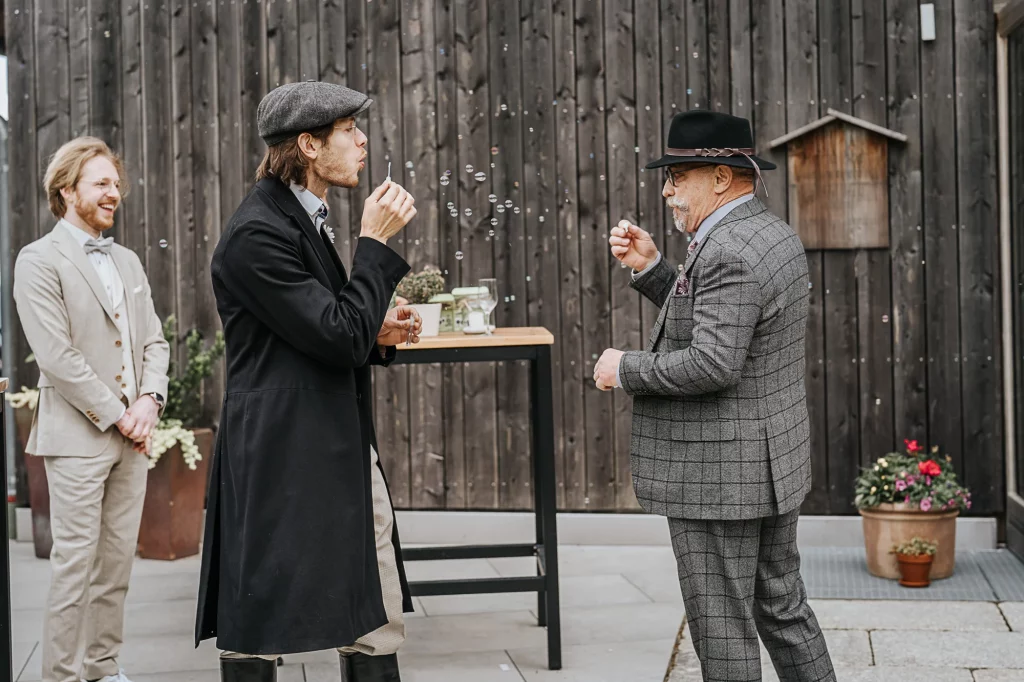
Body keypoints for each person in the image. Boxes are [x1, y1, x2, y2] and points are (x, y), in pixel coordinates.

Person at [594, 110, 836, 682]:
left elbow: (713, 362)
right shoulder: (767, 232)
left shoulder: (727, 248)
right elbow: (725, 323)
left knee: (721, 627)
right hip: (768, 462)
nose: (667, 189)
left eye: (677, 176)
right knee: (783, 608)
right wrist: (654, 269)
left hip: (719, 475)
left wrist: (625, 367)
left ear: (721, 177)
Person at [195, 81, 422, 682]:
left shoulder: (302, 218)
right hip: (281, 455)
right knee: (258, 625)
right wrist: (373, 244)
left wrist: (374, 332)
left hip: (334, 443)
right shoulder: (256, 233)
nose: (363, 139)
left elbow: (323, 328)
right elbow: (336, 333)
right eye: (349, 130)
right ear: (309, 146)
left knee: (374, 614)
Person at [13, 137, 170, 682]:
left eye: (116, 184)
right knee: (74, 569)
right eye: (101, 183)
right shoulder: (37, 261)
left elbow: (154, 341)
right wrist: (121, 414)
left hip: (132, 438)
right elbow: (57, 357)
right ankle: (60, 677)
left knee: (115, 569)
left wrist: (149, 401)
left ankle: (103, 671)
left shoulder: (125, 260)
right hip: (78, 440)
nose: (114, 194)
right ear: (67, 190)